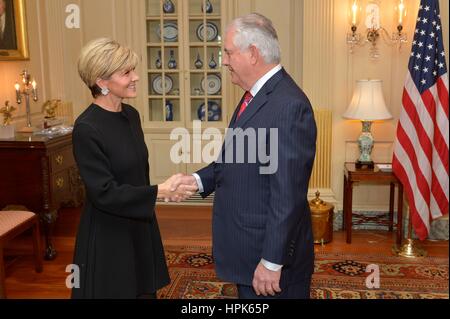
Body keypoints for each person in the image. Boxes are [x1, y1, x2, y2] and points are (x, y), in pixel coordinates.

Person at [172, 13, 317, 299]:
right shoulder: (257, 95)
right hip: (248, 250)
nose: (223, 60)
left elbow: (287, 194)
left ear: (252, 54)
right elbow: (238, 157)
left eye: (228, 52)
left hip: (269, 261)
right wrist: (197, 180)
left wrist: (272, 261)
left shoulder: (289, 106)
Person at [72, 38, 196, 299]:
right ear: (101, 81)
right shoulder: (87, 128)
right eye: (126, 72)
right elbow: (103, 192)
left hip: (140, 224)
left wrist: (162, 193)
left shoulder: (131, 115)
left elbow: (138, 174)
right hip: (110, 235)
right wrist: (160, 191)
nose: (136, 77)